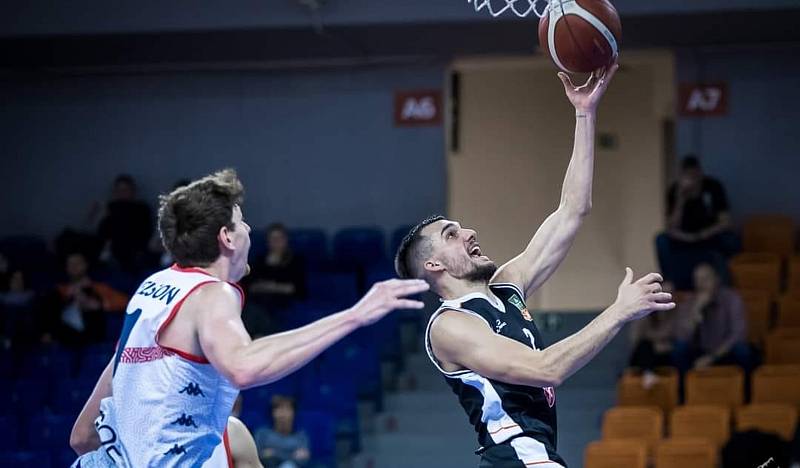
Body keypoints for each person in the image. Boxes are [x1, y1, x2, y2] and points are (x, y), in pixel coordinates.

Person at [395, 63, 674, 468]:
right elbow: (547, 368)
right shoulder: (450, 326)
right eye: (452, 233)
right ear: (434, 264)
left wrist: (584, 112)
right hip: (516, 458)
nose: (470, 232)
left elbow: (573, 210)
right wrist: (619, 312)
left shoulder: (508, 285)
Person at [69, 169, 428, 467]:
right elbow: (244, 366)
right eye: (242, 223)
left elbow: (82, 436)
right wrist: (354, 316)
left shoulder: (152, 289)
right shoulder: (211, 293)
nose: (250, 231)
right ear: (226, 237)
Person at [656, 155, 738, 289]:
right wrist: (680, 200)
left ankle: (724, 283)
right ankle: (670, 281)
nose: (692, 179)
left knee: (731, 240)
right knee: (661, 240)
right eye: (688, 175)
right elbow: (671, 227)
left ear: (700, 172)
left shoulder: (713, 187)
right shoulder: (675, 191)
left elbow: (725, 222)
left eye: (695, 175)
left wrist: (701, 235)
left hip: (709, 236)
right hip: (684, 238)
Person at [673, 263, 752, 374]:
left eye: (706, 279)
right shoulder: (690, 302)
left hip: (725, 351)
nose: (701, 284)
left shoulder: (732, 299)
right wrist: (696, 311)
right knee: (679, 349)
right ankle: (683, 389)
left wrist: (712, 357)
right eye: (698, 280)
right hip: (700, 350)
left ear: (717, 280)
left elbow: (738, 334)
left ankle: (746, 389)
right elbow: (682, 336)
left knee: (742, 350)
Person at [42, 252, 128, 347]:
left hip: (93, 341)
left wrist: (99, 304)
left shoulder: (98, 288)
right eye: (70, 264)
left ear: (86, 265)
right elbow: (48, 314)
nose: (74, 267)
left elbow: (126, 303)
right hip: (65, 342)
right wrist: (68, 298)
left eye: (77, 263)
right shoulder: (59, 291)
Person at [95, 174, 154, 271]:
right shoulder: (111, 208)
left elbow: (145, 232)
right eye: (119, 190)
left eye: (125, 190)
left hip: (135, 250)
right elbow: (102, 233)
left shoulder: (141, 208)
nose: (122, 193)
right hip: (113, 250)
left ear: (133, 191)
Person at [253, 396, 310, 468]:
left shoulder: (301, 437)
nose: (283, 414)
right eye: (279, 409)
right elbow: (257, 456)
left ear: (294, 413)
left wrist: (274, 454)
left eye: (287, 409)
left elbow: (303, 458)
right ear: (272, 413)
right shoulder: (263, 434)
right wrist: (291, 455)